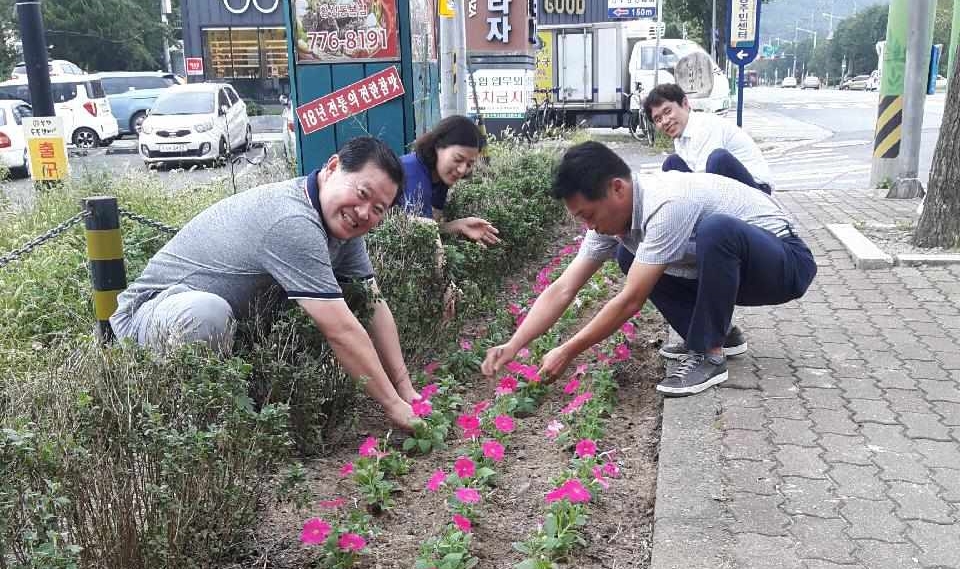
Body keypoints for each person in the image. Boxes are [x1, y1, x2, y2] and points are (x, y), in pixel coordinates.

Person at [110, 136, 420, 429]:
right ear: (332, 167)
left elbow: (373, 304)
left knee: (344, 298)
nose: (364, 212)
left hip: (220, 329)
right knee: (207, 313)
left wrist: (407, 390)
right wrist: (393, 406)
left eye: (378, 209)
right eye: (362, 194)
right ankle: (188, 420)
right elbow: (340, 330)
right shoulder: (293, 221)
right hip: (147, 319)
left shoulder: (340, 223)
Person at [481, 141, 817, 396]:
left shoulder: (666, 203)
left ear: (617, 187)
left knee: (716, 230)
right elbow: (563, 288)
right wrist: (514, 344)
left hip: (784, 264)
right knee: (630, 258)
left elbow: (631, 301)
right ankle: (722, 333)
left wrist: (568, 350)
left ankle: (709, 355)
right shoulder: (613, 220)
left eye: (587, 214)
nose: (589, 226)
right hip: (738, 269)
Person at [644, 83, 774, 195]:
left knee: (718, 159)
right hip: (726, 187)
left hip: (757, 190)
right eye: (658, 119)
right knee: (672, 164)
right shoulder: (680, 136)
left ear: (685, 104)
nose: (665, 121)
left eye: (667, 112)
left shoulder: (704, 126)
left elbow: (707, 181)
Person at [400, 115, 501, 247]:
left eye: (469, 164)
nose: (462, 170)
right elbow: (418, 238)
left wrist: (460, 225)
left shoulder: (442, 179)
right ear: (437, 146)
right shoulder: (412, 172)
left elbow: (428, 228)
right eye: (458, 159)